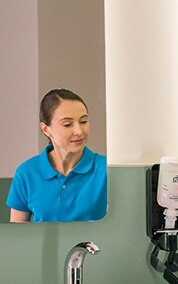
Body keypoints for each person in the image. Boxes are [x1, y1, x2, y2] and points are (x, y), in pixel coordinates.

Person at [6, 89, 107, 222]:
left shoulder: (106, 169)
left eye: (83, 121)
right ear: (46, 129)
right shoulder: (27, 173)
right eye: (67, 124)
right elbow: (18, 233)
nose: (79, 131)